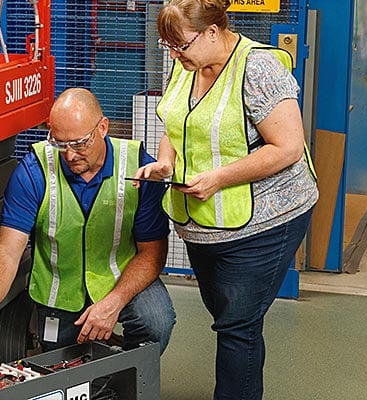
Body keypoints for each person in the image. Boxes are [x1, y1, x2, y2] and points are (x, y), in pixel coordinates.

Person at [133, 1, 319, 399]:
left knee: (237, 325)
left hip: (269, 217)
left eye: (180, 44)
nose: (174, 54)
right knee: (232, 317)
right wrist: (165, 163)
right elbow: (177, 124)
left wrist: (219, 178)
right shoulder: (185, 67)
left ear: (213, 31)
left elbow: (287, 147)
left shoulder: (258, 69)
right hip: (205, 224)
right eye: (168, 46)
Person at [0, 87, 176, 376]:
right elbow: (7, 251)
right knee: (63, 370)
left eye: (79, 143)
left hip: (119, 279)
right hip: (59, 291)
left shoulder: (138, 166)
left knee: (156, 321)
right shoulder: (34, 170)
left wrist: (113, 303)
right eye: (60, 143)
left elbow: (152, 253)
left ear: (103, 128)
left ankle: (122, 378)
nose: (70, 155)